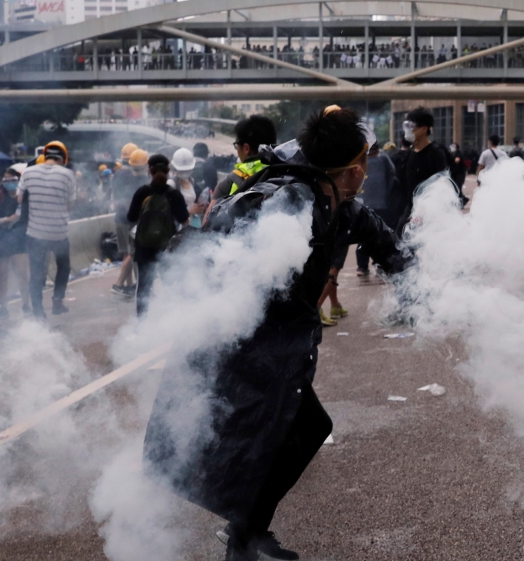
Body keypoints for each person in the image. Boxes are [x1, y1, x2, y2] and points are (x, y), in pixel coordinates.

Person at [143, 105, 410, 561]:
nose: (366, 171)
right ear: (352, 168)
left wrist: (430, 289)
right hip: (246, 343)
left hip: (282, 348)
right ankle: (242, 542)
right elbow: (218, 253)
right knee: (267, 440)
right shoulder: (285, 199)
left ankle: (246, 534)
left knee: (295, 433)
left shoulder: (342, 204)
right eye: (362, 161)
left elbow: (388, 247)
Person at [17, 141, 77, 318]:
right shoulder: (68, 175)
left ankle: (38, 312)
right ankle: (57, 302)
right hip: (59, 233)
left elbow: (20, 199)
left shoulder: (28, 172)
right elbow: (70, 205)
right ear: (63, 158)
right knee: (64, 267)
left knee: (36, 272)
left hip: (35, 233)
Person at [127, 154, 189, 316]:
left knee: (144, 288)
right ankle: (172, 320)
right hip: (167, 248)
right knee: (171, 285)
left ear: (150, 171)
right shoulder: (174, 195)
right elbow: (183, 219)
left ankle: (141, 325)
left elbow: (131, 218)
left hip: (144, 248)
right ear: (168, 171)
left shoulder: (142, 193)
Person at [0, 166, 30, 318]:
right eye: (6, 180)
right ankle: (3, 306)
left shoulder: (24, 197)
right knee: (2, 275)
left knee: (22, 274)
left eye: (12, 180)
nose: (9, 183)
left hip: (19, 239)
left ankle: (26, 304)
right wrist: (4, 220)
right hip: (0, 238)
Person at [398, 107, 449, 233]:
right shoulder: (410, 153)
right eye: (406, 126)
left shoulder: (436, 153)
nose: (408, 130)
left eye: (412, 126)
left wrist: (424, 210)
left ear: (424, 129)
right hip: (411, 210)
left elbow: (441, 184)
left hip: (429, 214)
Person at [356, 142, 401, 277]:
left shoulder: (360, 162)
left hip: (365, 204)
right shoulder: (384, 159)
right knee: (379, 236)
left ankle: (362, 267)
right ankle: (380, 266)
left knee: (363, 237)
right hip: (381, 204)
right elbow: (393, 176)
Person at [212, 115, 277, 201]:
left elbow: (210, 213)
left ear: (246, 148)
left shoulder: (229, 182)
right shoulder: (286, 172)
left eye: (237, 145)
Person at [111, 149, 149, 297]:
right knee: (133, 253)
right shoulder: (143, 180)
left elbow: (116, 196)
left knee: (126, 252)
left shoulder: (118, 174)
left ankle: (129, 285)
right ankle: (119, 284)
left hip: (119, 218)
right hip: (134, 221)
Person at [170, 147, 207, 229]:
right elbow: (169, 211)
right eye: (182, 171)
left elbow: (189, 202)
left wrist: (199, 207)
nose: (185, 173)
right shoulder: (171, 184)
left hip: (189, 224)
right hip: (176, 227)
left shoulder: (191, 180)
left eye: (187, 170)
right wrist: (189, 212)